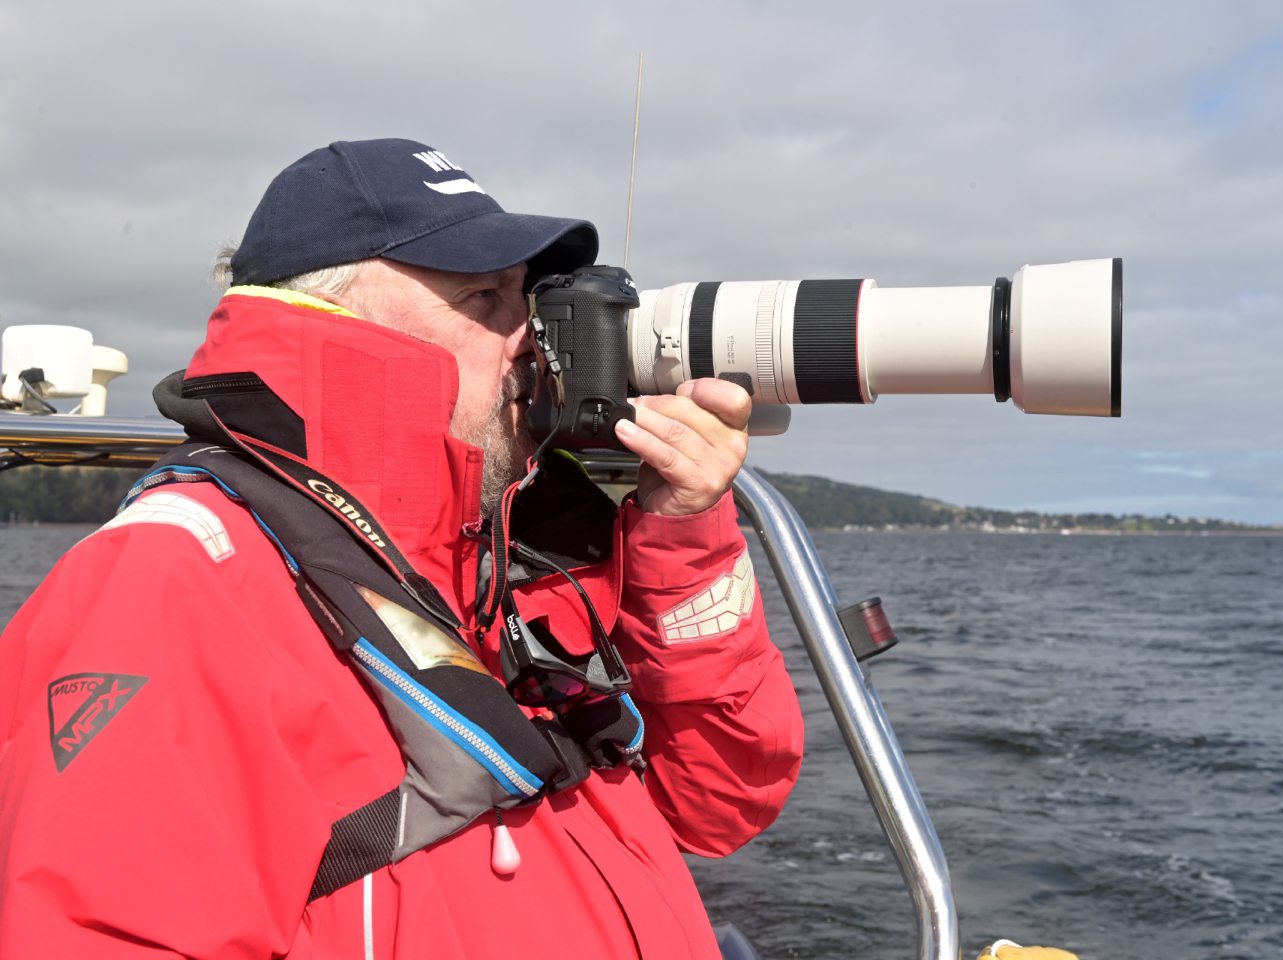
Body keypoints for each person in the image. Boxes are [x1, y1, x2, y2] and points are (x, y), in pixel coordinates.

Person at [0, 138, 804, 959]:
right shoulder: (174, 582)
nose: (531, 339)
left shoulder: (521, 547)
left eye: (524, 300)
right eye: (483, 298)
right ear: (327, 318)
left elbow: (717, 802)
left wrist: (681, 537)